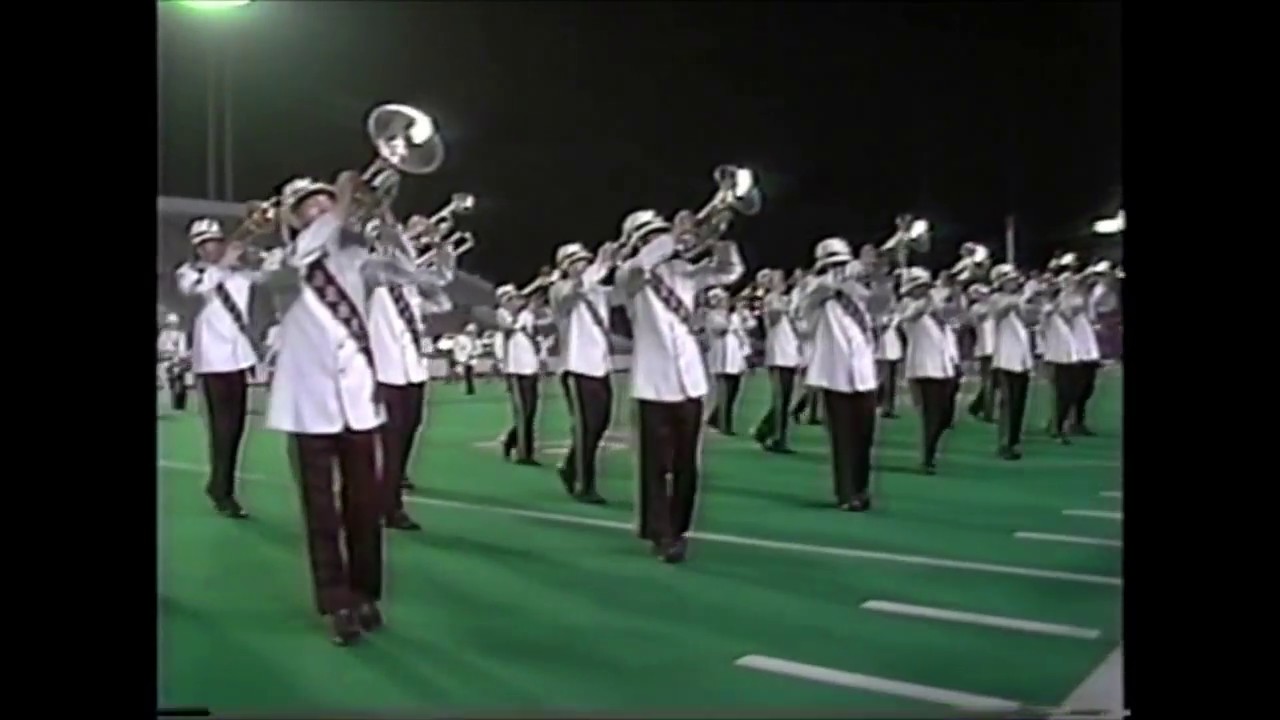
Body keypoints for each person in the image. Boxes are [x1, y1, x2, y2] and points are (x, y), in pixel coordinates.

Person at [265, 172, 424, 646]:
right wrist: (342, 203)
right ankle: (335, 601)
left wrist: (388, 220)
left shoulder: (357, 257)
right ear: (294, 219)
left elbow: (418, 278)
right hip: (307, 407)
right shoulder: (281, 261)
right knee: (321, 511)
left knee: (364, 505)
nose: (324, 210)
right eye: (310, 206)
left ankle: (366, 593)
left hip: (358, 403)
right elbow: (298, 261)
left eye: (326, 203)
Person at [616, 208, 744, 562]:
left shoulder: (684, 273)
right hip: (652, 385)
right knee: (655, 466)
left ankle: (678, 526)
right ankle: (661, 533)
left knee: (688, 463)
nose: (662, 240)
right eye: (652, 236)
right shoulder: (630, 276)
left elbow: (729, 271)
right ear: (640, 242)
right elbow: (640, 268)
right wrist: (672, 237)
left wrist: (718, 237)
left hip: (690, 382)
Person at [174, 217, 277, 519]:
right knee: (222, 430)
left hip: (239, 358)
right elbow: (197, 290)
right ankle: (222, 490)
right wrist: (223, 264)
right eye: (205, 245)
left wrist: (262, 253)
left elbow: (271, 275)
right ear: (197, 248)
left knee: (236, 430)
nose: (212, 248)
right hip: (212, 361)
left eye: (216, 242)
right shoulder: (190, 273)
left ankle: (220, 486)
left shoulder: (239, 272)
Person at [367, 219, 456, 531]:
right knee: (390, 440)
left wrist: (440, 245)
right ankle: (388, 506)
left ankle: (389, 489)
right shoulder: (370, 275)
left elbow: (443, 286)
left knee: (408, 431)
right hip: (384, 371)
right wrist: (398, 237)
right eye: (383, 240)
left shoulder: (411, 284)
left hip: (413, 370)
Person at [794, 238, 888, 510]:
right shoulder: (815, 290)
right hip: (833, 374)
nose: (840, 269)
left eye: (842, 264)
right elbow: (806, 309)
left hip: (863, 373)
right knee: (843, 438)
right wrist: (853, 269)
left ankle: (861, 489)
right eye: (834, 265)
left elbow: (881, 307)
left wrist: (881, 275)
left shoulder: (858, 291)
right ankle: (846, 493)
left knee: (865, 438)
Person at [548, 241, 619, 503]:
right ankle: (583, 483)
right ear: (565, 267)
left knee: (600, 425)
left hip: (601, 367)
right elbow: (573, 294)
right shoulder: (560, 289)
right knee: (586, 427)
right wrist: (603, 264)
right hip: (576, 368)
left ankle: (569, 467)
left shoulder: (598, 290)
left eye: (585, 260)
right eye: (577, 261)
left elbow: (627, 291)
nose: (583, 264)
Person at [899, 267, 960, 474]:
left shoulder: (938, 310)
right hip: (923, 368)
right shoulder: (907, 305)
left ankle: (930, 452)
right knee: (931, 415)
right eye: (920, 287)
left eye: (926, 287)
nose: (925, 290)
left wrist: (954, 291)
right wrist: (933, 297)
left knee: (944, 415)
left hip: (944, 367)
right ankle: (927, 457)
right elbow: (910, 316)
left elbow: (957, 318)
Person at [752, 269, 802, 452]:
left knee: (785, 400)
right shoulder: (771, 299)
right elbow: (772, 319)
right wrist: (784, 306)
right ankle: (776, 437)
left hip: (789, 354)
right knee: (780, 400)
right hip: (778, 355)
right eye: (779, 280)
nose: (783, 283)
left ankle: (764, 431)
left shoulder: (785, 300)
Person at [987, 264, 1035, 459]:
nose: (1014, 283)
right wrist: (1019, 299)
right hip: (1005, 358)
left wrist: (1028, 301)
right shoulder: (996, 299)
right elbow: (997, 313)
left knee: (1019, 403)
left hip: (1021, 358)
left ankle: (1014, 441)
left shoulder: (1018, 300)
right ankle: (1004, 442)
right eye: (1009, 280)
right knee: (1008, 403)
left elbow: (1029, 320)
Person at [496, 284, 545, 465]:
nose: (516, 301)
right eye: (511, 298)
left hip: (530, 368)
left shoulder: (527, 315)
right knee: (522, 412)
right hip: (515, 370)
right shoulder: (502, 314)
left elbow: (534, 336)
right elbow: (512, 327)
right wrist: (526, 312)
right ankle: (525, 454)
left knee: (530, 412)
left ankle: (510, 440)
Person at [705, 288, 753, 435]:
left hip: (735, 358)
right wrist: (733, 318)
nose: (727, 302)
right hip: (721, 358)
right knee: (724, 392)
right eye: (723, 300)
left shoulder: (733, 316)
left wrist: (743, 316)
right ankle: (724, 425)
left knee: (734, 391)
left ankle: (715, 419)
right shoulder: (713, 315)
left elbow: (750, 325)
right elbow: (721, 329)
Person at [966, 283, 997, 422]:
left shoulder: (994, 307)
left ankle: (976, 406)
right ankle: (987, 413)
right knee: (988, 382)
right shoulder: (975, 309)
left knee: (994, 382)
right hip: (984, 349)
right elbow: (974, 322)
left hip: (996, 348)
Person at [156, 313, 190, 412]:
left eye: (173, 323)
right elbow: (159, 347)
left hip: (175, 361)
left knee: (178, 376)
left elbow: (182, 351)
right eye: (170, 323)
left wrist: (176, 359)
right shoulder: (163, 334)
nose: (172, 325)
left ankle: (177, 402)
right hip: (163, 360)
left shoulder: (181, 335)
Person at [453, 323, 479, 395]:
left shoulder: (474, 340)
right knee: (467, 375)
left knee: (469, 374)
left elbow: (477, 349)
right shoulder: (462, 338)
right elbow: (459, 349)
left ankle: (470, 389)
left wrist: (472, 354)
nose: (471, 334)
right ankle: (470, 389)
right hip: (465, 359)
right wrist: (463, 357)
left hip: (470, 359)